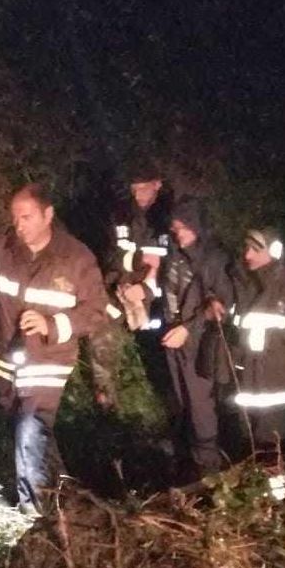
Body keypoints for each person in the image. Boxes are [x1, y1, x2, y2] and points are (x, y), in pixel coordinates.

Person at [0, 184, 106, 516]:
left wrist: (51, 326)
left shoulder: (76, 258)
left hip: (48, 362)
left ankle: (33, 512)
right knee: (29, 433)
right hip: (6, 363)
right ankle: (61, 486)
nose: (19, 225)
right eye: (15, 217)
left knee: (29, 430)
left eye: (26, 217)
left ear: (48, 215)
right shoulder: (4, 247)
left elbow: (95, 311)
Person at [205, 226, 285, 498]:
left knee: (273, 452)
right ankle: (250, 501)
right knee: (247, 448)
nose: (247, 255)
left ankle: (276, 506)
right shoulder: (241, 282)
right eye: (246, 248)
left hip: (277, 387)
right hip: (246, 386)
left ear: (275, 251)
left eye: (256, 249)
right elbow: (232, 323)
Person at [158, 198, 235, 476]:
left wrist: (188, 328)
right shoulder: (175, 255)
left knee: (200, 403)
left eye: (183, 227)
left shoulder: (214, 259)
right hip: (173, 337)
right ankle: (187, 459)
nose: (178, 232)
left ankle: (208, 466)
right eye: (175, 227)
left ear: (197, 226)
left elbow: (221, 305)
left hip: (199, 343)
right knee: (181, 401)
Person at [97, 165, 173, 408]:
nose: (138, 193)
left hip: (158, 299)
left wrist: (148, 288)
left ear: (157, 184)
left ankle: (168, 404)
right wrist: (131, 270)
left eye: (144, 187)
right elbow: (111, 254)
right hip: (120, 289)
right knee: (102, 337)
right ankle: (105, 401)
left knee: (161, 352)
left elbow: (170, 263)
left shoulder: (168, 217)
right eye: (134, 188)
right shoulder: (120, 214)